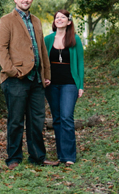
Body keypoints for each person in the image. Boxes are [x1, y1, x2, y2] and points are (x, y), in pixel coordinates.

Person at [0, 0, 59, 169]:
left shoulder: (36, 21)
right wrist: (12, 71)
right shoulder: (7, 20)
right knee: (15, 120)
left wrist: (46, 74)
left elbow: (42, 50)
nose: (26, 0)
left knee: (37, 120)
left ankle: (38, 157)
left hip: (36, 80)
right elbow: (1, 49)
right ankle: (14, 158)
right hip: (16, 79)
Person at [44, 9, 84, 165]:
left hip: (70, 83)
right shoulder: (47, 39)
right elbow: (43, 62)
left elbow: (80, 62)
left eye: (63, 17)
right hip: (51, 84)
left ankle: (69, 156)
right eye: (57, 17)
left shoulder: (75, 39)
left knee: (67, 117)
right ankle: (61, 154)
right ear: (54, 22)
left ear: (69, 21)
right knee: (57, 119)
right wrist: (44, 78)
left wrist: (80, 85)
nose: (59, 19)